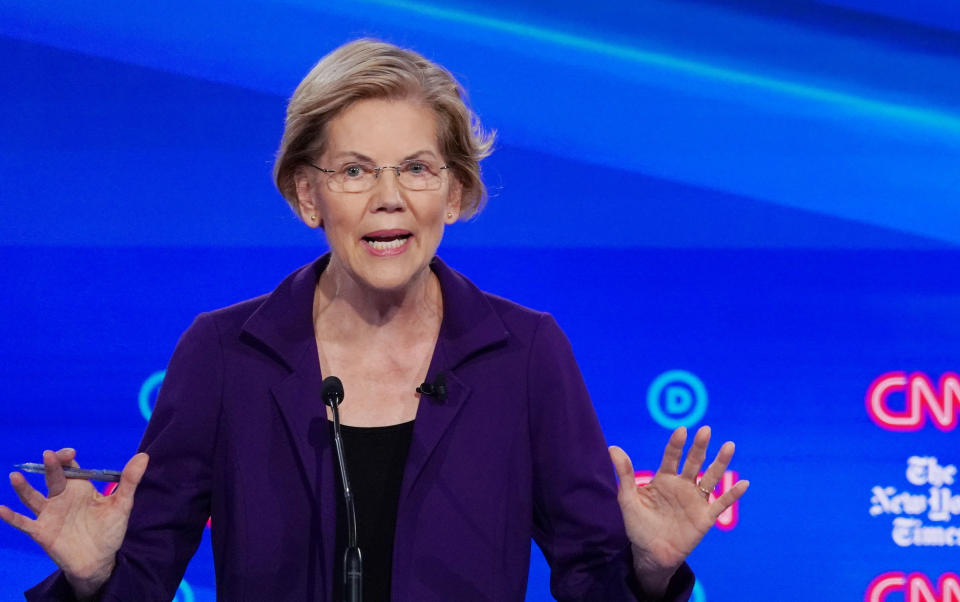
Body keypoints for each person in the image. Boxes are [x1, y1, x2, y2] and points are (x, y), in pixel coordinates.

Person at [1, 39, 748, 601]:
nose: (388, 197)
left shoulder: (525, 355)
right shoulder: (224, 355)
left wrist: (650, 571)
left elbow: (592, 576)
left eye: (417, 169)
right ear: (307, 196)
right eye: (354, 170)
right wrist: (94, 580)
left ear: (453, 195)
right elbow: (145, 574)